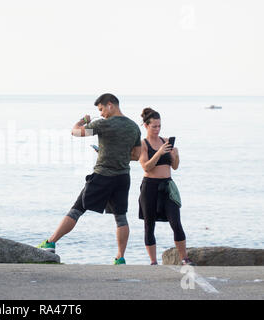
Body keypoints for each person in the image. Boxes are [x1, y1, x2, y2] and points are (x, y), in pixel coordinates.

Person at [37, 93, 142, 265]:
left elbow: (76, 132)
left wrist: (83, 120)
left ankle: (51, 242)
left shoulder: (103, 125)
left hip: (102, 176)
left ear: (110, 105)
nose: (101, 114)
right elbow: (136, 156)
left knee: (77, 209)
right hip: (123, 177)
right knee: (121, 218)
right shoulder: (134, 128)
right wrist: (113, 154)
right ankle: (120, 257)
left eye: (101, 109)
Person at [138, 108, 194, 265]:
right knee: (149, 225)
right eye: (154, 126)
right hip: (150, 186)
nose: (157, 129)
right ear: (146, 126)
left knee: (176, 222)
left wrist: (175, 155)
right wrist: (159, 152)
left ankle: (185, 258)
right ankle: (153, 262)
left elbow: (174, 166)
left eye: (159, 126)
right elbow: (146, 167)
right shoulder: (143, 144)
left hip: (167, 186)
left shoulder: (166, 141)